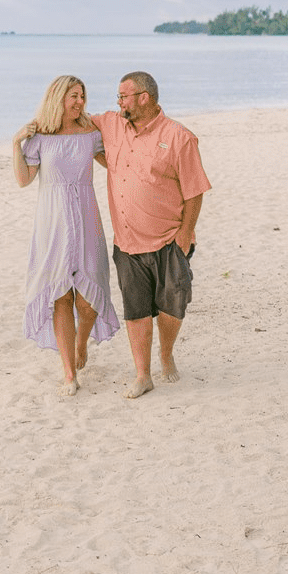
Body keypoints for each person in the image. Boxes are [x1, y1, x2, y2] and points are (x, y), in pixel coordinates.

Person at [90, 70, 210, 399]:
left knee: (173, 307)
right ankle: (143, 374)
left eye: (123, 96)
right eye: (117, 97)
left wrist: (185, 235)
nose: (118, 102)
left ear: (144, 98)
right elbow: (76, 122)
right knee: (136, 310)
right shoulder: (112, 125)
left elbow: (195, 191)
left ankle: (166, 354)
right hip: (127, 241)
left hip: (170, 240)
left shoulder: (179, 137)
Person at [11, 75, 120, 396]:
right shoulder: (40, 136)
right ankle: (69, 373)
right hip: (52, 221)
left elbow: (116, 164)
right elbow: (23, 179)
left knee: (88, 300)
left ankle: (81, 344)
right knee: (60, 295)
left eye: (83, 96)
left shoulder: (90, 133)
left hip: (87, 217)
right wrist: (15, 143)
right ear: (58, 98)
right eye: (74, 95)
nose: (80, 102)